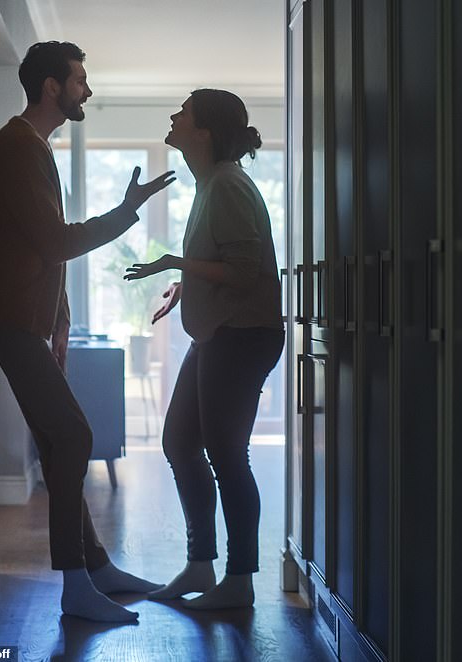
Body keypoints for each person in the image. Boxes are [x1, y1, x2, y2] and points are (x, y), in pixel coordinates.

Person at [0, 41, 174, 623]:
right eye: (80, 79)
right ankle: (77, 587)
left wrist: (59, 321)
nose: (88, 89)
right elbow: (57, 243)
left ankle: (97, 568)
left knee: (62, 441)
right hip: (8, 321)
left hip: (23, 322)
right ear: (52, 87)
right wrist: (126, 209)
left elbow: (42, 247)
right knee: (77, 436)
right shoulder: (17, 149)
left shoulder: (33, 147)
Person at [124, 89, 285, 609]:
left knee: (225, 454)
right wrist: (186, 286)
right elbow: (227, 265)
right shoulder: (211, 184)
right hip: (222, 333)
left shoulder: (228, 185)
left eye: (184, 112)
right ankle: (200, 566)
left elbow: (242, 273)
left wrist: (175, 264)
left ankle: (239, 582)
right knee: (179, 442)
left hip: (243, 336)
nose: (173, 116)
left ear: (206, 131)